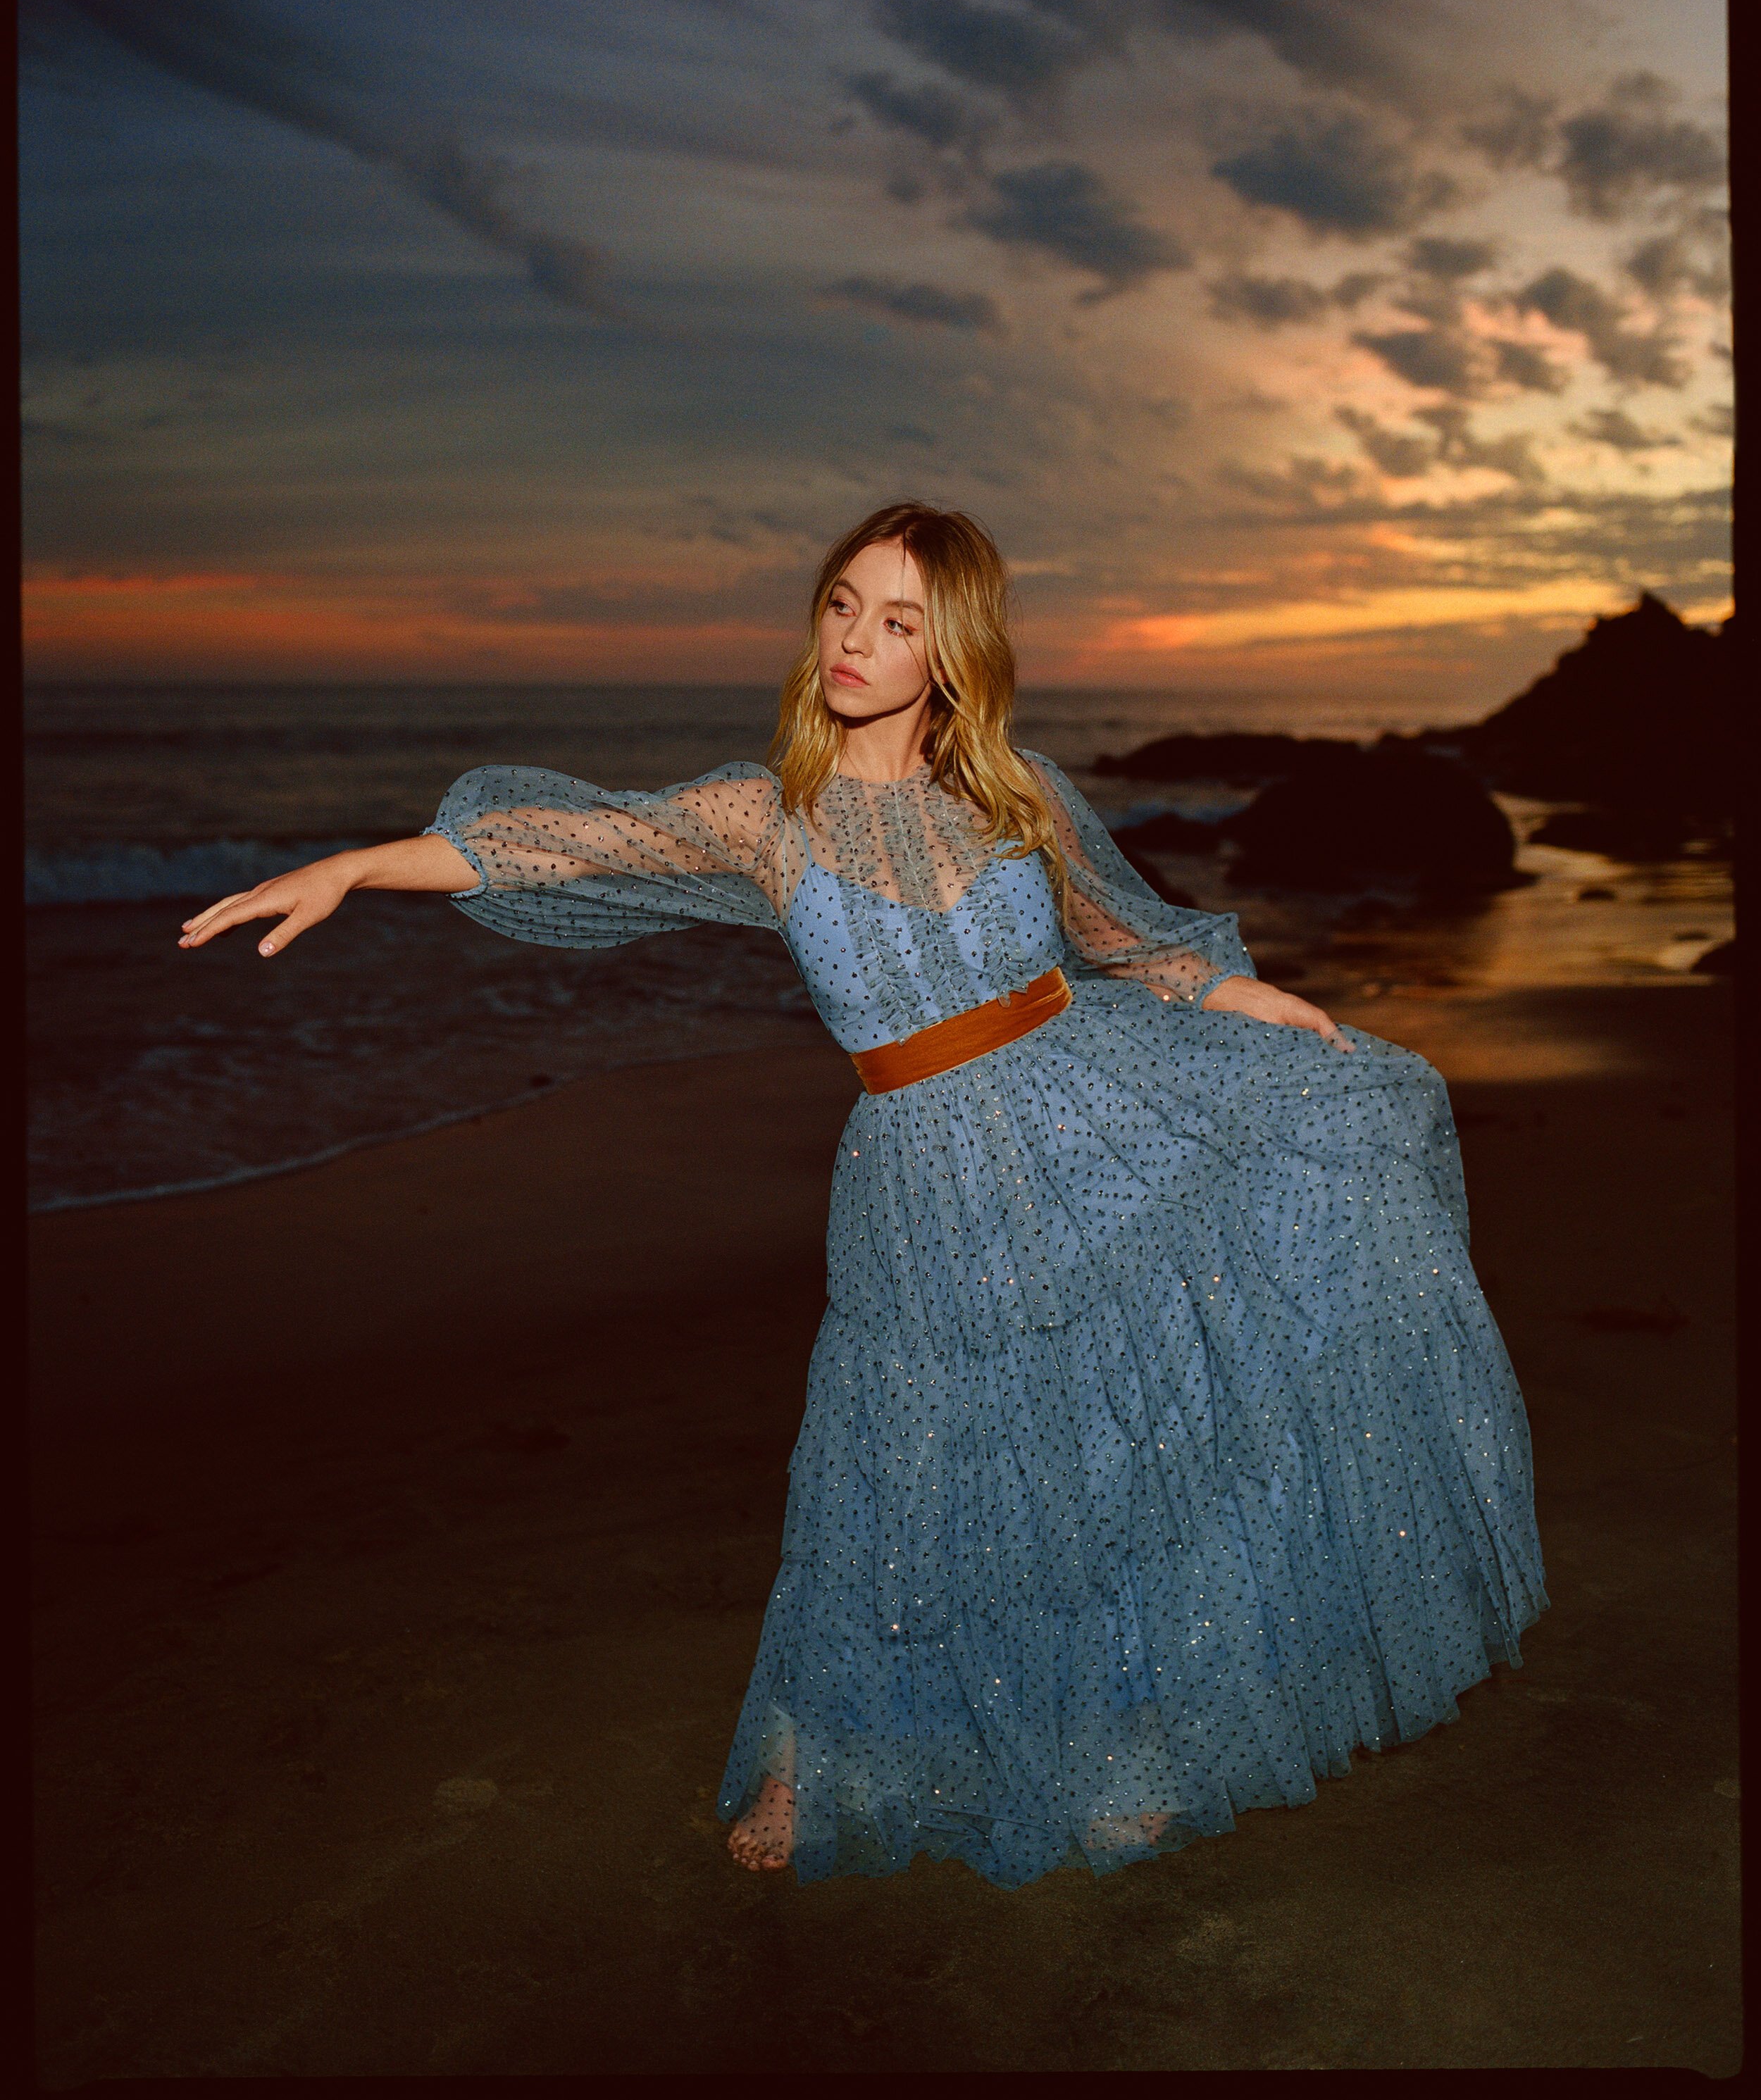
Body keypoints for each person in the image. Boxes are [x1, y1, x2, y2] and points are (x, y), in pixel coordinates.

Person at [178, 501, 1545, 1890]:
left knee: (1104, 1444)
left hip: (1089, 1119)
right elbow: (560, 842)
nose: (854, 639)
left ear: (948, 654)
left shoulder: (1021, 798)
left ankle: (1134, 1747)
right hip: (921, 1177)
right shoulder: (768, 814)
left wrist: (1257, 999)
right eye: (841, 603)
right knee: (898, 1472)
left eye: (897, 621)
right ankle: (814, 1763)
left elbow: (1127, 946)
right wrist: (356, 864)